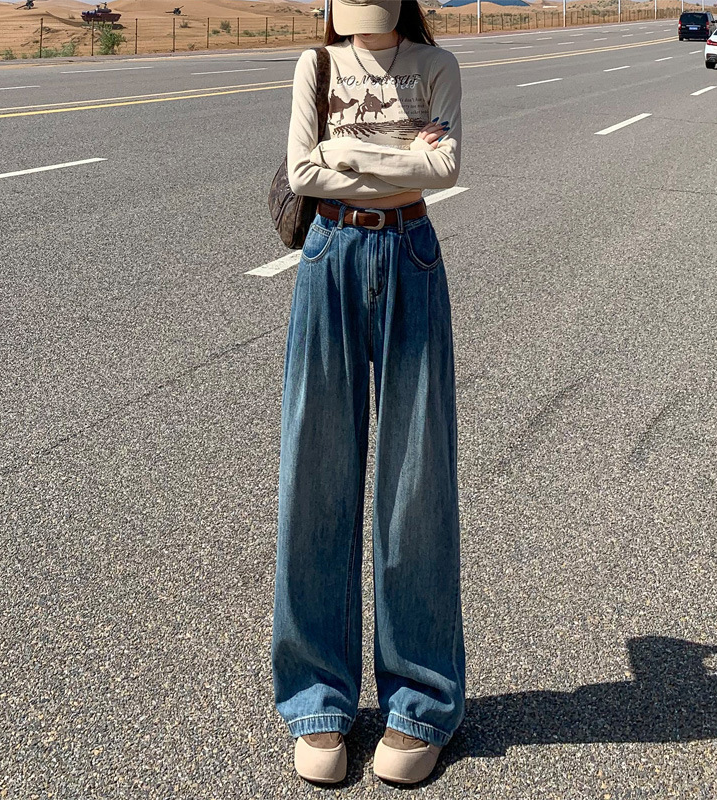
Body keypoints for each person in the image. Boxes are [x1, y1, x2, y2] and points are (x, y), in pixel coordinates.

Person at [271, 0, 464, 785]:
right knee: (315, 474)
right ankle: (317, 699)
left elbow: (444, 171)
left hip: (412, 254)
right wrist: (396, 155)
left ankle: (421, 701)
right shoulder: (315, 65)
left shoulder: (436, 66)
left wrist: (345, 153)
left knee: (417, 483)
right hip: (329, 254)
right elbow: (301, 172)